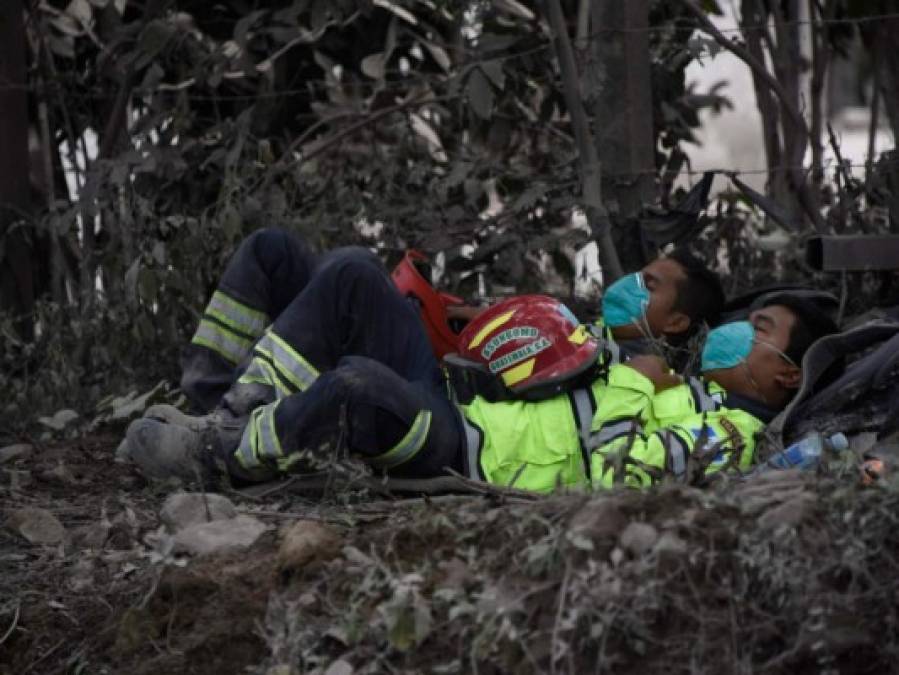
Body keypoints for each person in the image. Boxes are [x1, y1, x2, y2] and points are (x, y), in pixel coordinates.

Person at [123, 228, 725, 488]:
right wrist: (470, 320)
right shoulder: (588, 324)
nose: (629, 287)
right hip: (445, 376)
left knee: (351, 276)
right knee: (281, 253)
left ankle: (220, 442)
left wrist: (636, 379)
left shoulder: (665, 382)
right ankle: (208, 402)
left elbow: (612, 459)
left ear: (676, 322)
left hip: (456, 418)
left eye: (649, 286)